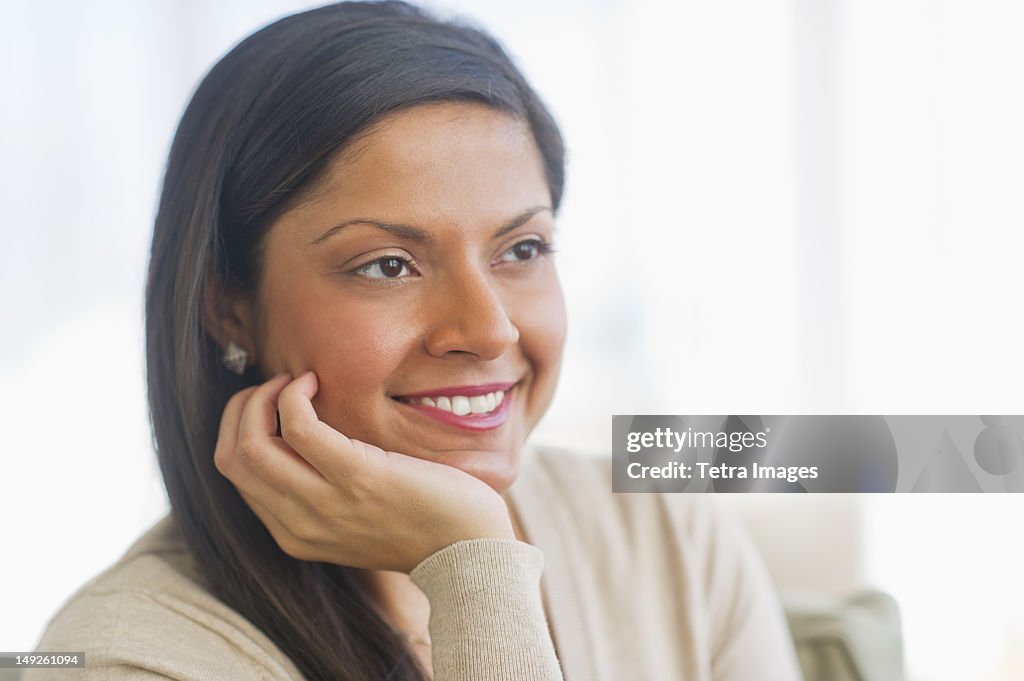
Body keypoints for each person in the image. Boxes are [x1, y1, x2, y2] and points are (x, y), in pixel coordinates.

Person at [26, 2, 802, 680]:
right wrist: (472, 569)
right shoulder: (127, 659)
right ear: (227, 307)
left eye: (522, 249)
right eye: (388, 265)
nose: (489, 326)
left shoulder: (665, 536)